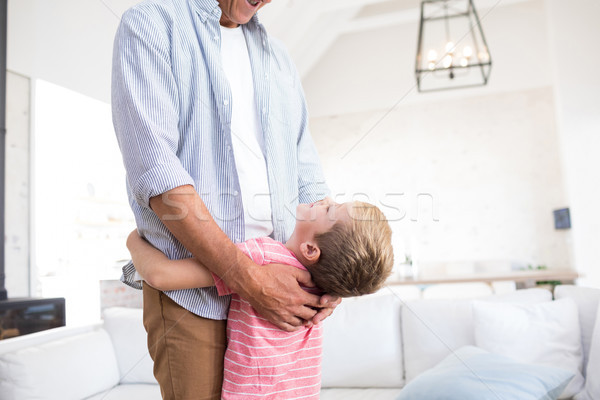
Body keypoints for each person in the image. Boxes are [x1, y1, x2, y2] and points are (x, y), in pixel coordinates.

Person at [111, 0, 340, 398]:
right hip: (195, 296)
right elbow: (158, 175)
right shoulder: (150, 26)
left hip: (283, 291)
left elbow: (307, 173)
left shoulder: (278, 56)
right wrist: (250, 279)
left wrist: (333, 272)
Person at [127, 198, 395, 399]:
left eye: (329, 210)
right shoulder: (327, 292)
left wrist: (133, 240)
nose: (325, 199)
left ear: (311, 249)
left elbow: (161, 276)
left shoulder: (264, 256)